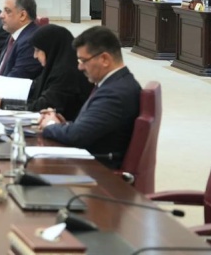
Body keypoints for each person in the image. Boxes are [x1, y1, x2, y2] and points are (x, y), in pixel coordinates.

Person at [39, 26, 141, 168]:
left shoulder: (114, 94)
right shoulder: (115, 83)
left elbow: (77, 136)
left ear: (104, 59)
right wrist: (64, 125)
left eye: (83, 61)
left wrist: (50, 124)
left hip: (97, 170)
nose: (80, 67)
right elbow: (92, 128)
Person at [0, 24, 93, 121]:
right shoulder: (53, 69)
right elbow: (33, 88)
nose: (35, 56)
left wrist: (3, 104)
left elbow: (43, 106)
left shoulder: (67, 74)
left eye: (37, 50)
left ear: (51, 49)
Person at [0, 0, 41, 79]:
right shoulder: (13, 36)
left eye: (7, 11)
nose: (1, 15)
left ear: (22, 15)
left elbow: (15, 79)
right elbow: (0, 69)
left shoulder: (29, 42)